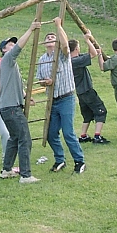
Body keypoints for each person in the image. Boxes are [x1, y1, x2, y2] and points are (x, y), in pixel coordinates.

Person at [35, 17, 86, 174]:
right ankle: (60, 160)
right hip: (53, 100)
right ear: (44, 44)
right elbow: (39, 80)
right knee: (50, 133)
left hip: (66, 98)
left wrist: (58, 26)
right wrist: (46, 82)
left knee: (68, 132)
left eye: (53, 37)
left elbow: (65, 45)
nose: (50, 39)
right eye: (47, 38)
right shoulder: (42, 60)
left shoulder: (62, 55)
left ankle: (79, 161)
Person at [0, 21, 41, 184]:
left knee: (14, 138)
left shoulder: (10, 65)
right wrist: (30, 29)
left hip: (8, 107)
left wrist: (24, 96)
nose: (13, 46)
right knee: (25, 139)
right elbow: (19, 47)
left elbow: (11, 85)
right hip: (11, 109)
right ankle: (25, 175)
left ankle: (6, 170)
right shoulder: (8, 58)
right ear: (4, 49)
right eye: (10, 44)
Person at [69, 30, 110, 144]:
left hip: (80, 92)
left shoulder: (71, 60)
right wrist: (87, 39)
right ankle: (97, 136)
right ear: (76, 49)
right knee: (101, 111)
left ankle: (83, 136)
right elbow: (93, 54)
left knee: (87, 114)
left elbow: (91, 53)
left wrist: (91, 44)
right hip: (87, 90)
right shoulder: (75, 61)